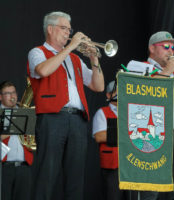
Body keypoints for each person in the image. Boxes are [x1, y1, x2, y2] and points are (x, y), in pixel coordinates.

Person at [27, 11, 105, 200]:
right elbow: (43, 70)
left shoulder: (75, 59)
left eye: (69, 29)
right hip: (52, 118)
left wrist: (95, 60)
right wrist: (70, 47)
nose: (68, 33)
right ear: (50, 29)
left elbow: (99, 86)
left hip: (77, 120)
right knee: (47, 174)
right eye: (64, 28)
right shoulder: (37, 52)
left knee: (75, 178)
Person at [128, 31, 174, 200]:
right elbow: (142, 96)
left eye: (173, 47)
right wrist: (167, 72)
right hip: (150, 135)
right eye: (166, 46)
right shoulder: (138, 67)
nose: (171, 51)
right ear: (152, 48)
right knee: (150, 188)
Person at [93, 80, 132, 200]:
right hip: (112, 165)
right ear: (108, 95)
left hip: (132, 166)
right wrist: (128, 134)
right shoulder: (102, 112)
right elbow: (99, 136)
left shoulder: (131, 113)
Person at [0, 81, 34, 200]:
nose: (12, 96)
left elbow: (33, 138)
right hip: (3, 168)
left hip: (24, 167)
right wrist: (16, 123)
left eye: (13, 92)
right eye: (7, 93)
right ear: (0, 97)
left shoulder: (25, 111)